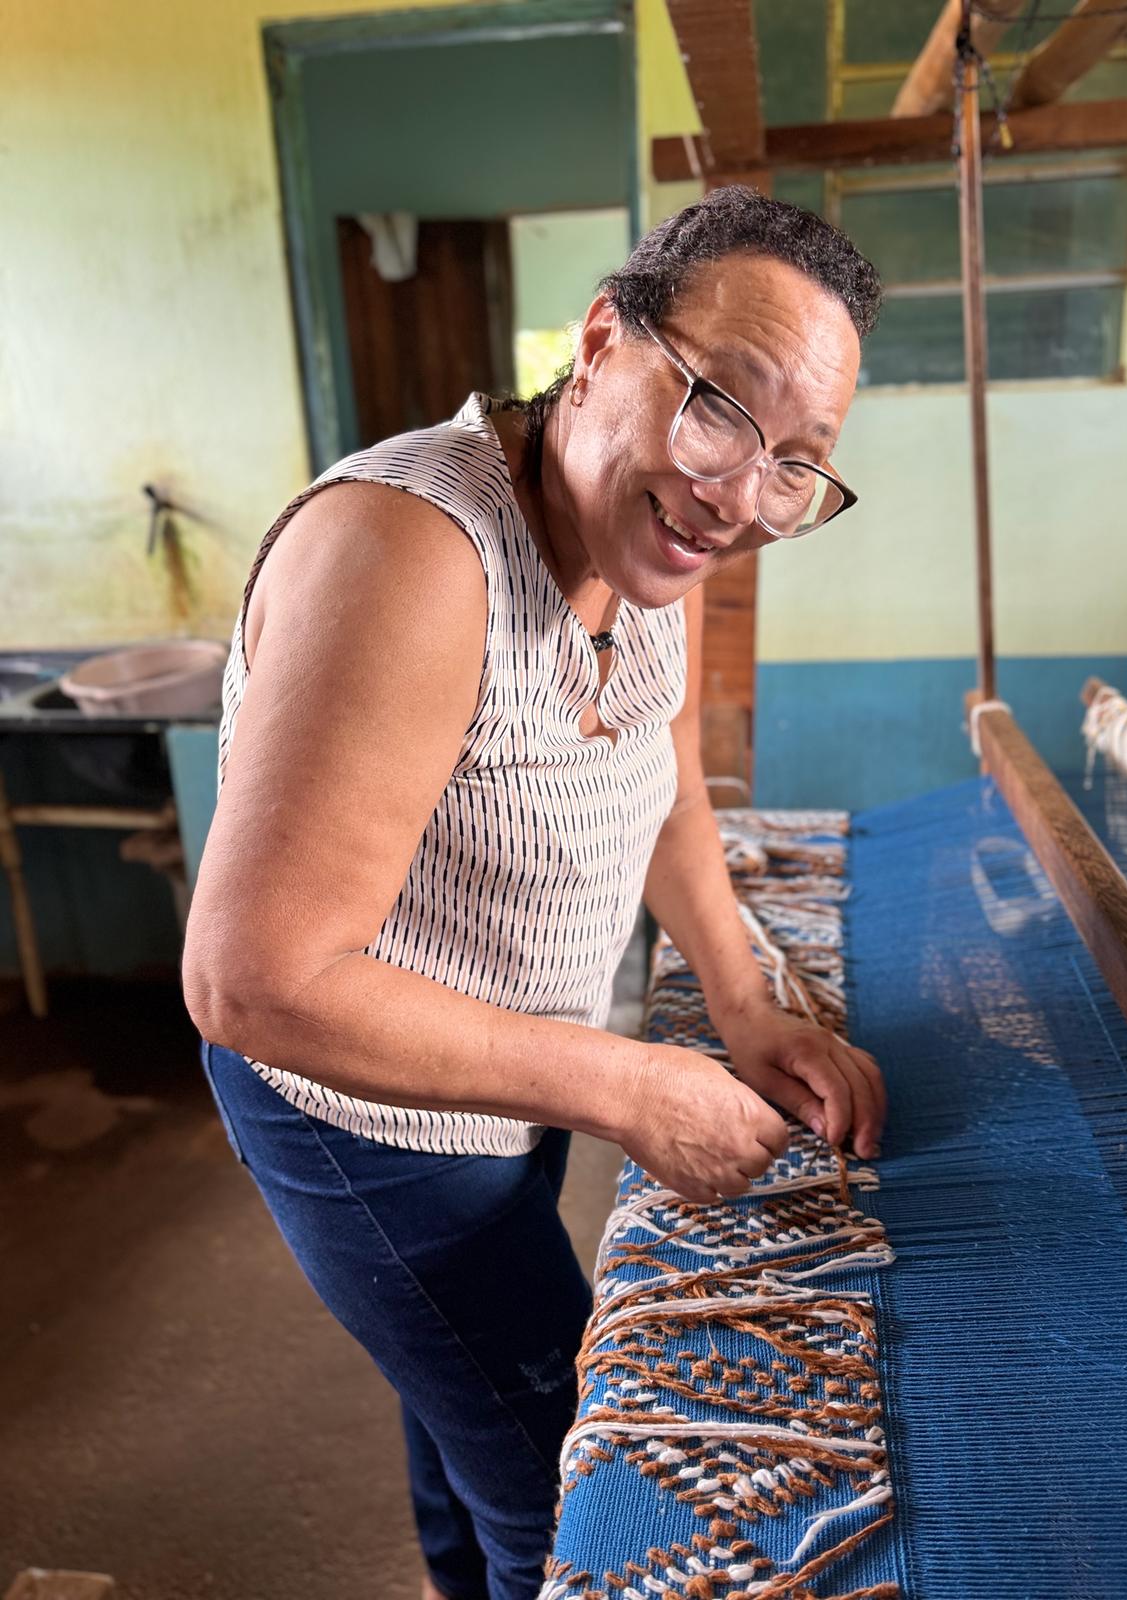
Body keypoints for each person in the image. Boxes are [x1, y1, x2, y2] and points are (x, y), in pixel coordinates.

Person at [182, 185, 886, 1600]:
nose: (742, 497)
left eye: (797, 463)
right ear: (605, 338)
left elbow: (666, 781)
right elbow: (254, 979)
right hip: (365, 1119)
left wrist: (744, 1008)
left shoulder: (646, 552)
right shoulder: (408, 556)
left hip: (508, 1085)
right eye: (719, 407)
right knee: (560, 1474)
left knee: (457, 1404)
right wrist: (632, 1089)